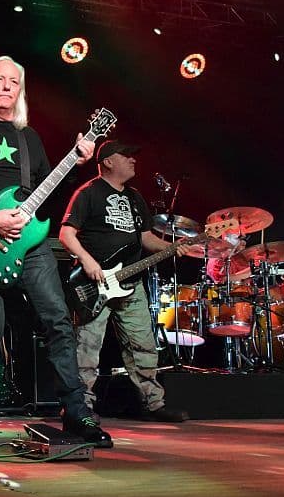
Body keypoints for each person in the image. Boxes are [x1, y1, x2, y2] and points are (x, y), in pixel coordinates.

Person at [0, 55, 112, 446]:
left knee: (58, 321)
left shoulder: (28, 138)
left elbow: (48, 197)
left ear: (21, 91)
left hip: (31, 245)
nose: (6, 87)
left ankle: (77, 412)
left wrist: (77, 164)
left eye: (14, 82)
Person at [59, 140, 190, 422]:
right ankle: (81, 407)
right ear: (107, 161)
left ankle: (153, 404)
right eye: (126, 155)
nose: (133, 160)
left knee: (143, 345)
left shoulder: (135, 197)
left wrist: (172, 247)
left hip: (131, 282)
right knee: (87, 348)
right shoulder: (88, 193)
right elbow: (66, 235)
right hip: (94, 284)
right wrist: (88, 261)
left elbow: (146, 238)